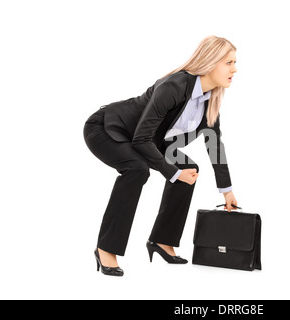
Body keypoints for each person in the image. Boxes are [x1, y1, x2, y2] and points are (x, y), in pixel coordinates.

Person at [83, 35, 238, 276]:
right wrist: (173, 173)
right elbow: (141, 139)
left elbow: (214, 144)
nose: (234, 69)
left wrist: (226, 191)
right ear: (211, 62)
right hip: (108, 128)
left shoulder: (210, 100)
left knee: (189, 169)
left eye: (234, 63)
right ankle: (106, 249)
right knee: (137, 169)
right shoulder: (174, 86)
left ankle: (162, 241)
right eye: (229, 62)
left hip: (149, 139)